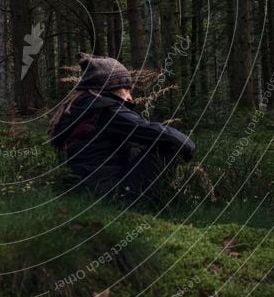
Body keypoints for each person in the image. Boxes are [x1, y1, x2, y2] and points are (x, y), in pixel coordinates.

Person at [49, 53, 196, 208]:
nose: (130, 97)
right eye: (126, 88)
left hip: (86, 188)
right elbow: (158, 134)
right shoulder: (106, 110)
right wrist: (188, 145)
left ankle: (158, 201)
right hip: (109, 192)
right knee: (165, 147)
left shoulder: (79, 107)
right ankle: (144, 205)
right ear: (113, 86)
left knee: (139, 144)